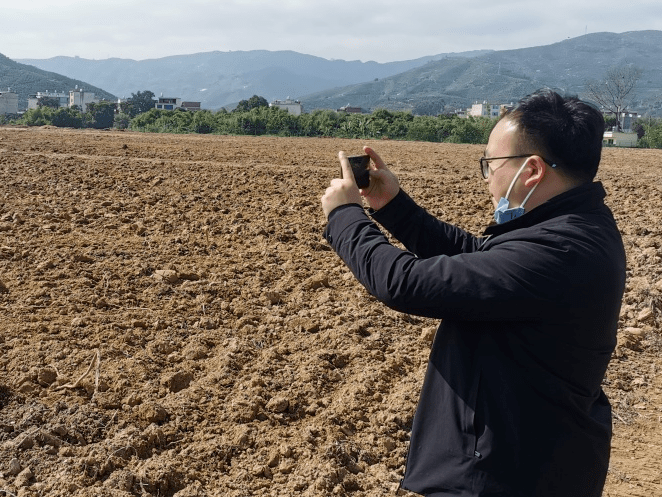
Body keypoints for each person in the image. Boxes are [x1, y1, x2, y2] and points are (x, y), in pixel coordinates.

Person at [320, 89, 626, 497]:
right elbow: (476, 256)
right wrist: (392, 206)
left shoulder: (560, 250)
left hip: (505, 474)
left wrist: (345, 217)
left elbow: (404, 282)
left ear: (531, 170)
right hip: (534, 457)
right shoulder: (574, 227)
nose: (488, 178)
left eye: (491, 164)